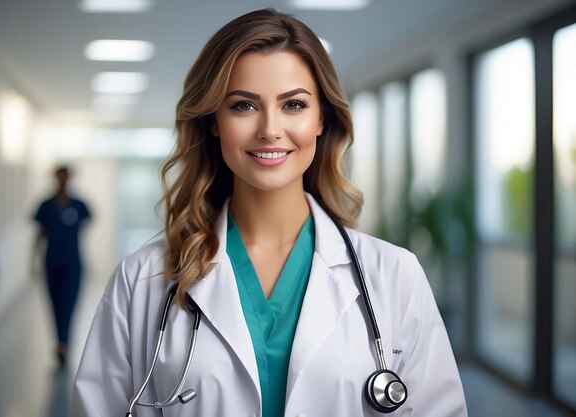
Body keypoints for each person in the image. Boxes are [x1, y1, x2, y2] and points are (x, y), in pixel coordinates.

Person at [71, 8, 467, 417]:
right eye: (243, 106)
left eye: (294, 104)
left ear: (321, 119)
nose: (270, 129)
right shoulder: (142, 280)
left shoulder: (395, 276)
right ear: (213, 122)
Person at [33, 165, 91, 368]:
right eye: (60, 178)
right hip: (51, 262)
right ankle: (60, 342)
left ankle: (63, 345)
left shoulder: (78, 205)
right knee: (55, 304)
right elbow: (40, 233)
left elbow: (84, 227)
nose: (63, 181)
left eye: (66, 178)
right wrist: (32, 259)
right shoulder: (46, 205)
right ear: (55, 179)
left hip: (72, 264)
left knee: (69, 304)